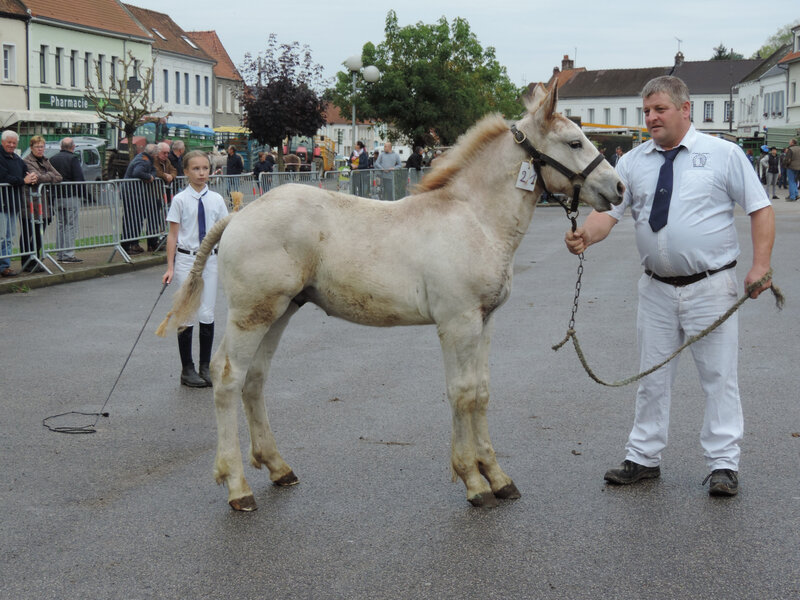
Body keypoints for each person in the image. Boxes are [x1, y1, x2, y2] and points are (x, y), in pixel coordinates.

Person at [564, 76, 774, 497]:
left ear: (685, 109)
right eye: (646, 111)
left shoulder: (724, 154)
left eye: (659, 109)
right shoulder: (634, 162)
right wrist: (587, 233)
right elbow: (610, 213)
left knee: (719, 378)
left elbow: (760, 208)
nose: (651, 118)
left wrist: (760, 267)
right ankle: (643, 457)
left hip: (711, 287)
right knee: (652, 377)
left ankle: (723, 465)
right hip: (656, 289)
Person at [161, 150, 229, 387]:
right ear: (186, 171)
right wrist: (170, 267)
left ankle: (205, 366)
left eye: (205, 169)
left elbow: (224, 232)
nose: (202, 173)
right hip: (187, 260)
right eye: (196, 169)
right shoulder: (180, 200)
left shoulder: (217, 200)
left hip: (209, 260)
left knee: (207, 313)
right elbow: (173, 235)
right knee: (187, 313)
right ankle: (187, 369)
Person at [22, 135, 62, 271]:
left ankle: (36, 260)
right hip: (30, 203)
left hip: (44, 204)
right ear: (32, 148)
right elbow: (35, 178)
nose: (40, 149)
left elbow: (59, 176)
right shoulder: (27, 161)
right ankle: (27, 263)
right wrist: (48, 177)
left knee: (40, 233)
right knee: (28, 234)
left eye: (42, 146)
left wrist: (46, 177)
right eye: (37, 147)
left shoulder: (46, 161)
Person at [0, 130, 37, 277]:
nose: (11, 145)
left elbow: (25, 172)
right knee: (1, 237)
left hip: (13, 203)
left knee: (9, 237)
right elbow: (4, 177)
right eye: (8, 142)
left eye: (14, 142)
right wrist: (23, 181)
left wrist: (31, 177)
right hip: (1, 203)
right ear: (2, 142)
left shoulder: (16, 158)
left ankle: (5, 266)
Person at [48, 137, 85, 263]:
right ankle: (68, 254)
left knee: (61, 225)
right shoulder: (73, 158)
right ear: (73, 147)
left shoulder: (52, 159)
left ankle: (60, 254)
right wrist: (84, 194)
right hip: (70, 195)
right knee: (70, 225)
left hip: (57, 196)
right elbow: (79, 178)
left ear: (61, 147)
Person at [121, 143, 157, 255]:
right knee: (132, 219)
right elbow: (137, 172)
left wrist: (152, 175)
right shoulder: (143, 160)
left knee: (135, 219)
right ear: (154, 154)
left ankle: (133, 244)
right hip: (132, 193)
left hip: (133, 193)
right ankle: (128, 245)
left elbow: (153, 170)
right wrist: (149, 177)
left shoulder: (144, 158)